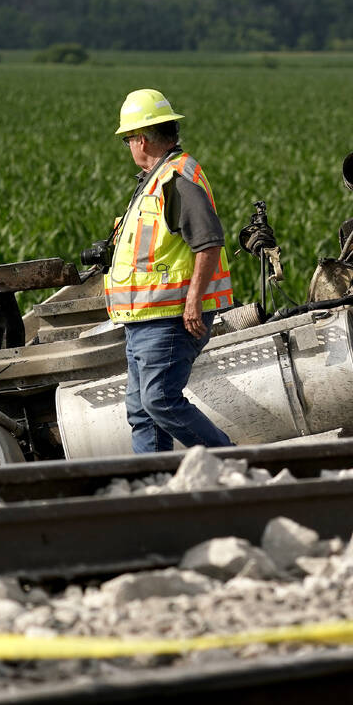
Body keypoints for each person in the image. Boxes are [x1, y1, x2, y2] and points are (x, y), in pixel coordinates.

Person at [102, 88, 234, 451]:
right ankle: (157, 494)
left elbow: (208, 242)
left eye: (128, 138)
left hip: (171, 318)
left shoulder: (177, 179)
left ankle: (234, 464)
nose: (128, 146)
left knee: (160, 400)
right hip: (143, 319)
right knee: (142, 410)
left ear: (141, 139)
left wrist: (193, 303)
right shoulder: (155, 179)